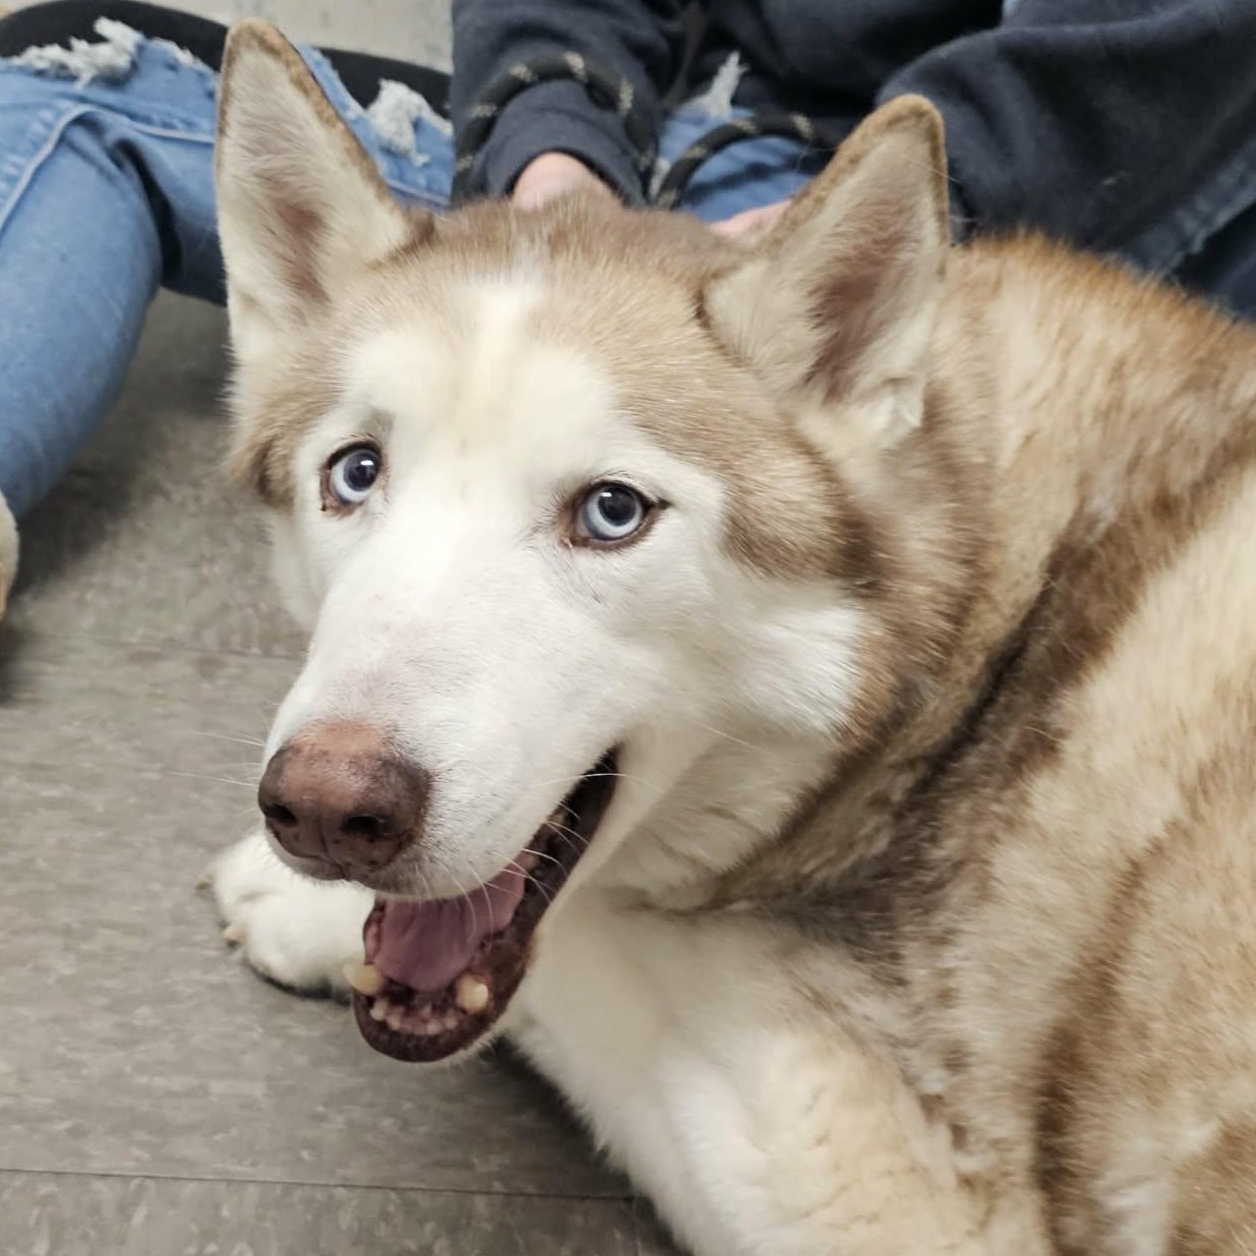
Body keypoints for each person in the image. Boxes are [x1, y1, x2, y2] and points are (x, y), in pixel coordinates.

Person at [3, 0, 1256, 611]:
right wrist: (552, 177)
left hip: (1033, 188)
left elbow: (1144, 52)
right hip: (689, 141)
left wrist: (800, 267)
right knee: (72, 68)